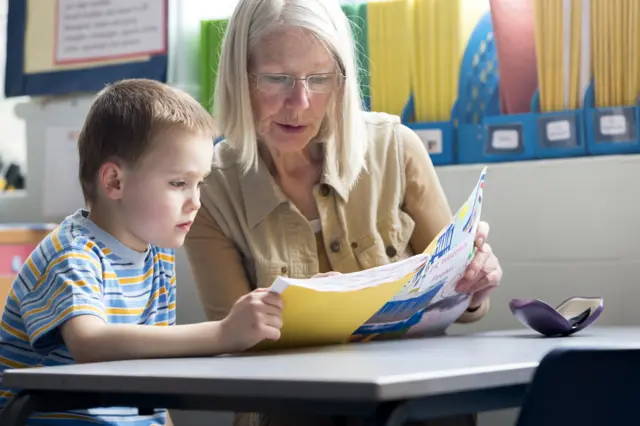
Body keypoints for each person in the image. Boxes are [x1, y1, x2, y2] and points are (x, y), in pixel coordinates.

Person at [184, 0, 503, 425]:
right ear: (237, 79)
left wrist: (475, 288)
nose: (299, 103)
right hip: (291, 412)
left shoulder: (396, 148)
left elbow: (461, 303)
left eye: (319, 79)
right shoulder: (209, 186)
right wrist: (315, 312)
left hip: (408, 403)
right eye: (277, 79)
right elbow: (232, 345)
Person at [0, 79, 284, 426]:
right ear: (115, 182)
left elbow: (150, 369)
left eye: (200, 183)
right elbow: (89, 344)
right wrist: (223, 333)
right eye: (179, 183)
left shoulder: (158, 257)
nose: (196, 201)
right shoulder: (71, 253)